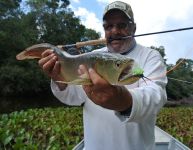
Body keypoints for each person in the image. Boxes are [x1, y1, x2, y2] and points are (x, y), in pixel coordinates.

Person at [38, 1, 167, 150]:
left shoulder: (150, 56)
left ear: (134, 27)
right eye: (108, 26)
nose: (114, 31)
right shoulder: (92, 56)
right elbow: (74, 96)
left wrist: (123, 101)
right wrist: (59, 79)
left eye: (122, 25)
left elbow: (155, 96)